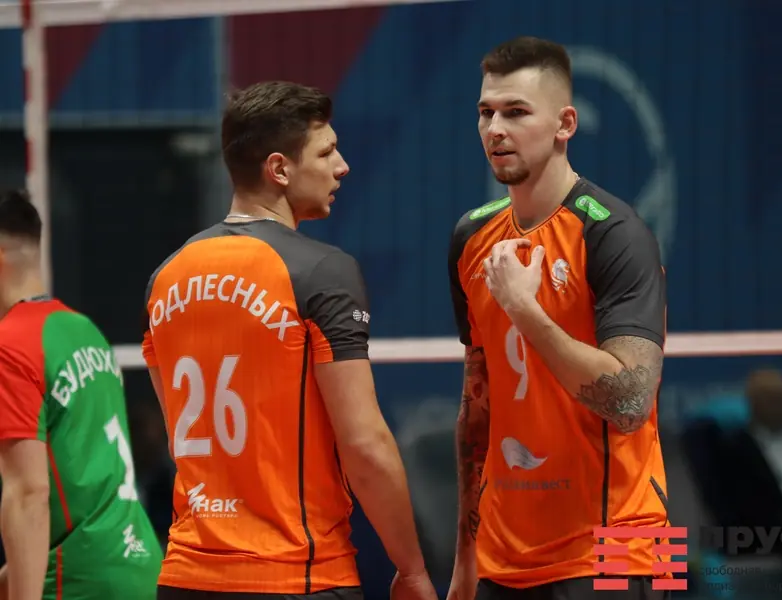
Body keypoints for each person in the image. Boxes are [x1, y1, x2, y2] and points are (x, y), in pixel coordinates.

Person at [141, 81, 437, 600]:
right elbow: (365, 445)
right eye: (326, 152)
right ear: (279, 169)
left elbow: (176, 437)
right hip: (297, 577)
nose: (342, 166)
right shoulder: (322, 271)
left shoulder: (163, 278)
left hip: (185, 578)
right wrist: (411, 568)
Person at [447, 37, 670, 600]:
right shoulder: (471, 236)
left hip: (625, 546)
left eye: (517, 112)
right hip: (503, 555)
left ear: (565, 124)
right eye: (486, 113)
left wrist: (524, 309)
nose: (496, 129)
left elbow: (629, 403)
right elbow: (478, 404)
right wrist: (465, 556)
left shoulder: (616, 232)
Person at [0, 189, 162, 599]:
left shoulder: (10, 345)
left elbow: (29, 496)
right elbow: (82, 489)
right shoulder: (85, 331)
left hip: (80, 582)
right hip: (138, 566)